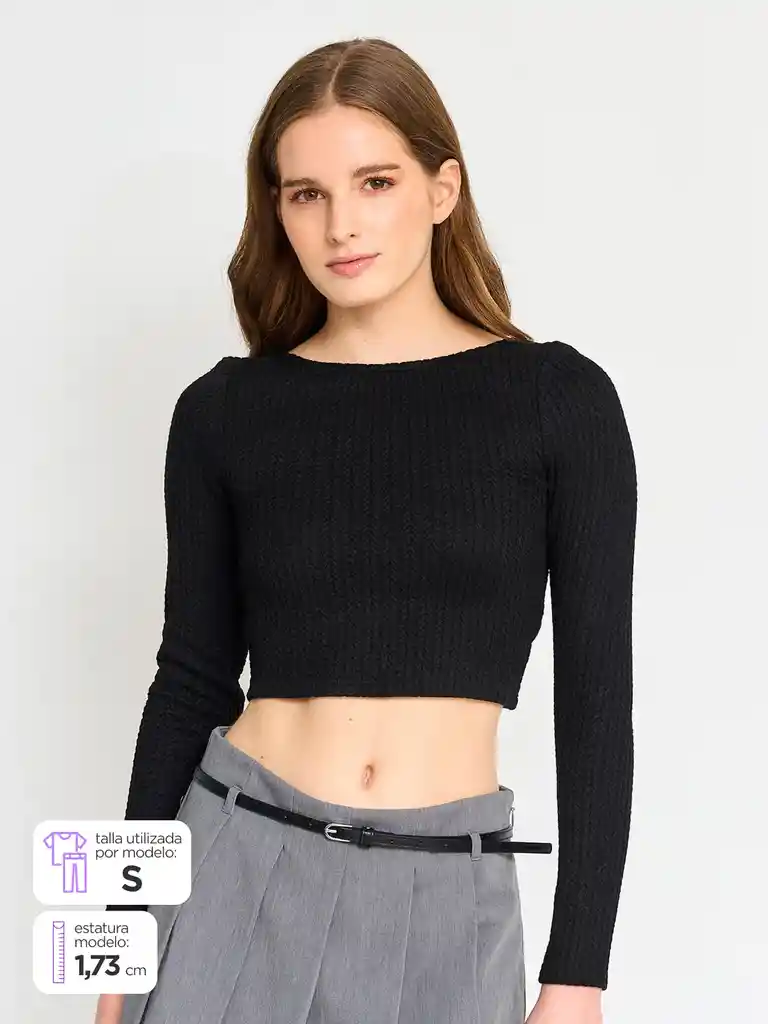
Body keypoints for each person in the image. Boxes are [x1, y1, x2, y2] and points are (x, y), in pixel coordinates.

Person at [96, 35, 637, 1024]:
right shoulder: (224, 412)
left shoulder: (559, 403)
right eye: (306, 193)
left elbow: (598, 699)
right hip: (232, 866)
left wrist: (579, 973)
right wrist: (117, 956)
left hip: (446, 894)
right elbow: (189, 682)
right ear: (277, 210)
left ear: (442, 188)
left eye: (375, 182)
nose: (341, 224)